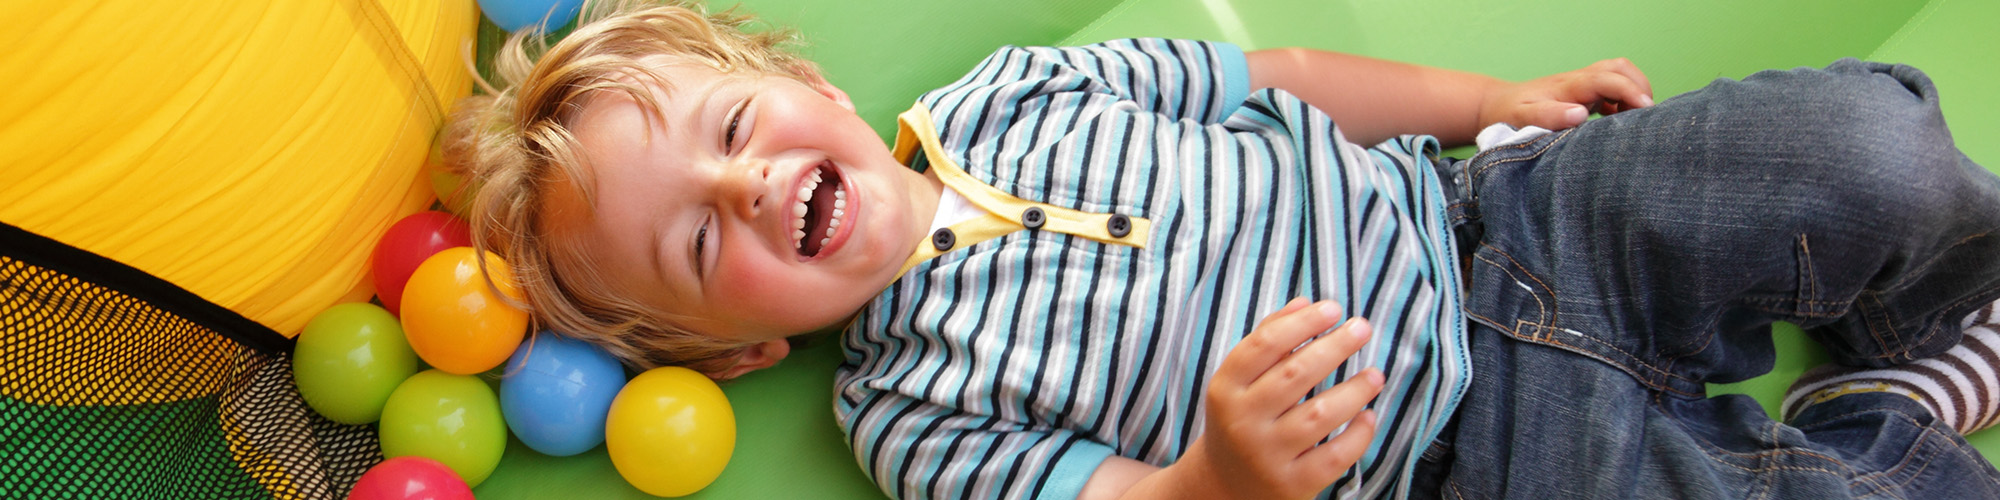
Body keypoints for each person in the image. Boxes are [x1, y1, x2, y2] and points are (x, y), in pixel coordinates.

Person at [440, 1, 2000, 498]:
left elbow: (1285, 84)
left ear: (811, 90)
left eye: (735, 132)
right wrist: (1217, 479)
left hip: (1506, 215)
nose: (749, 188)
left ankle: (1928, 301)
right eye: (700, 246)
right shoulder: (903, 418)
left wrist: (1489, 104)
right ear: (737, 354)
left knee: (1860, 149)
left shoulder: (1013, 91)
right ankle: (1890, 425)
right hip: (1478, 459)